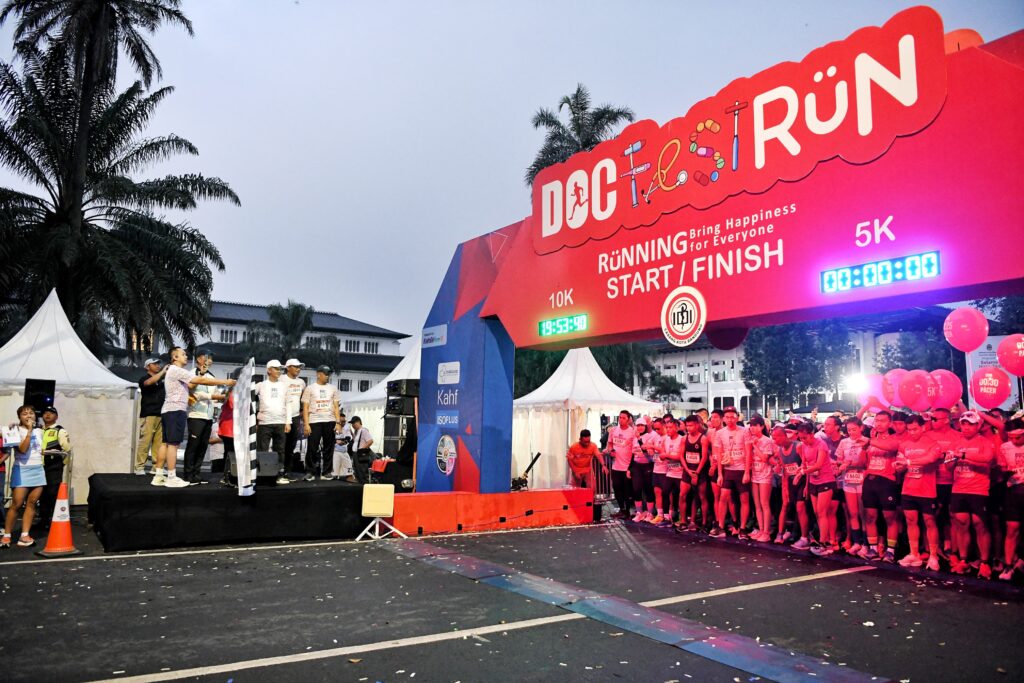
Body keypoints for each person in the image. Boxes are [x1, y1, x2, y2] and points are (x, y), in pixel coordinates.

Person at [152, 347, 235, 488]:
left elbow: (196, 383)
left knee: (166, 443)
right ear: (175, 357)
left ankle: (159, 475)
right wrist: (225, 382)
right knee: (173, 444)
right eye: (183, 354)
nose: (186, 356)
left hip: (172, 410)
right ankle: (172, 476)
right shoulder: (178, 370)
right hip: (177, 410)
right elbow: (198, 382)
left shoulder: (175, 371)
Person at [947, 410, 995, 579]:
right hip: (959, 489)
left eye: (970, 424)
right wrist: (952, 460)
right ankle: (963, 560)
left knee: (979, 524)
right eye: (963, 424)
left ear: (978, 425)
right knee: (961, 523)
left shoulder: (985, 442)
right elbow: (947, 467)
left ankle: (985, 562)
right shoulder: (956, 442)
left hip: (978, 489)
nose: (966, 427)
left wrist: (965, 455)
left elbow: (988, 458)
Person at [895, 415, 943, 570]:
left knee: (930, 522)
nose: (912, 432)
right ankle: (914, 553)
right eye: (909, 430)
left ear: (923, 427)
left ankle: (933, 556)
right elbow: (900, 465)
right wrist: (898, 466)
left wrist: (908, 462)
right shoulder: (904, 444)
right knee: (910, 521)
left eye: (915, 429)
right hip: (908, 488)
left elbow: (930, 459)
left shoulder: (933, 444)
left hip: (927, 490)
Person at [859, 410, 901, 563]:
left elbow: (890, 448)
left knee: (890, 517)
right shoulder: (871, 441)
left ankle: (890, 550)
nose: (879, 423)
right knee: (870, 516)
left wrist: (869, 441)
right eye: (877, 421)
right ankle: (873, 548)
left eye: (883, 421)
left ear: (889, 423)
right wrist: (863, 448)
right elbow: (863, 462)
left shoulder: (895, 439)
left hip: (887, 481)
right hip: (870, 480)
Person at [2, 405, 45, 548]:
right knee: (17, 504)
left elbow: (40, 449)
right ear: (19, 417)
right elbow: (22, 449)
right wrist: (29, 431)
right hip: (22, 469)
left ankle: (24, 535)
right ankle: (6, 536)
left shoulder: (40, 430)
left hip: (38, 468)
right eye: (24, 414)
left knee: (32, 503)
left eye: (31, 413)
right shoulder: (15, 430)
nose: (28, 416)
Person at [182, 349, 225, 485]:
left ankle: (196, 473)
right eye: (207, 357)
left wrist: (222, 396)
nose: (210, 361)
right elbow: (190, 390)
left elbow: (216, 394)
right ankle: (188, 475)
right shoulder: (190, 374)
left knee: (202, 447)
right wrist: (201, 375)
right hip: (195, 414)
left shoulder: (212, 377)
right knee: (193, 445)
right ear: (199, 359)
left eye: (211, 358)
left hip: (208, 416)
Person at [798, 422, 837, 555]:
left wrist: (802, 472)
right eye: (801, 438)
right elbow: (805, 465)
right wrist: (806, 483)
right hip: (813, 482)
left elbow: (819, 464)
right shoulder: (803, 446)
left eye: (805, 437)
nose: (803, 440)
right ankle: (823, 540)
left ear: (811, 434)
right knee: (817, 512)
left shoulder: (821, 444)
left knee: (822, 512)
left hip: (826, 480)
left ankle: (823, 543)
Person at [714, 406, 751, 538]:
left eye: (732, 417)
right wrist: (719, 474)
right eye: (727, 417)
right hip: (727, 470)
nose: (730, 419)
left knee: (744, 499)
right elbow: (718, 454)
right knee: (723, 497)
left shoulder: (744, 431)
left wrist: (747, 472)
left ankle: (742, 528)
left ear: (737, 417)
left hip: (741, 469)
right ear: (724, 419)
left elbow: (748, 452)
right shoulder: (719, 433)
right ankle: (721, 526)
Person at [255, 359, 294, 485]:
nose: (279, 371)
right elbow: (248, 395)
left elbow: (288, 404)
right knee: (262, 449)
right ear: (269, 370)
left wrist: (288, 422)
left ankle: (279, 474)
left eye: (280, 369)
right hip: (264, 422)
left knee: (280, 450)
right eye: (276, 369)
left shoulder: (284, 386)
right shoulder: (260, 385)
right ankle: (262, 474)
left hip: (280, 422)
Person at [835, 417, 868, 556]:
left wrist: (850, 464)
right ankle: (856, 542)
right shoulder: (844, 442)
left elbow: (867, 462)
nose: (851, 432)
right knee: (852, 512)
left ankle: (867, 543)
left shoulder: (866, 441)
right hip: (848, 480)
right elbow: (838, 459)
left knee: (863, 513)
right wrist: (842, 463)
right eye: (849, 430)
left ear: (861, 428)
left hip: (862, 480)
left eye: (854, 429)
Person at [302, 365, 341, 480]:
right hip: (314, 421)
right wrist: (306, 424)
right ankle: (310, 472)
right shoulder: (310, 388)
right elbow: (305, 407)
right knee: (312, 447)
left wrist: (338, 422)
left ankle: (326, 472)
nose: (327, 376)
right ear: (318, 374)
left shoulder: (333, 388)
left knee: (329, 447)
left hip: (330, 420)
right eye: (325, 373)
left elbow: (336, 407)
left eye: (329, 373)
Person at [997, 418, 1024, 581]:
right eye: (1011, 438)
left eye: (1018, 438)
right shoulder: (1004, 447)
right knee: (1012, 528)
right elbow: (1002, 468)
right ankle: (1008, 566)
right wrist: (1004, 471)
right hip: (1013, 491)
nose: (1014, 441)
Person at [774, 424, 810, 547]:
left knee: (800, 507)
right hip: (790, 481)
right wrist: (785, 488)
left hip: (802, 480)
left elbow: (806, 465)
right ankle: (780, 533)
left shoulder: (798, 446)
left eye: (776, 438)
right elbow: (785, 471)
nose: (774, 441)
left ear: (783, 436)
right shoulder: (780, 450)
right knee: (784, 504)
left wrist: (806, 485)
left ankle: (804, 537)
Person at [37, 406, 72, 531]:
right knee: (41, 493)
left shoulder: (60, 431)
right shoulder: (38, 430)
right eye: (45, 413)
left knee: (52, 493)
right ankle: (43, 520)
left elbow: (67, 449)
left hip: (53, 467)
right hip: (39, 467)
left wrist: (61, 464)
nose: (47, 415)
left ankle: (53, 519)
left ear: (56, 416)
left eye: (51, 413)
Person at [603, 410, 637, 519]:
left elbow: (635, 449)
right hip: (615, 465)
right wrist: (609, 451)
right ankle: (621, 509)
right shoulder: (613, 430)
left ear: (628, 420)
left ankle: (627, 511)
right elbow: (609, 444)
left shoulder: (632, 432)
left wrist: (631, 467)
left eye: (623, 418)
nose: (621, 419)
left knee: (627, 490)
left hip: (627, 466)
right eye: (620, 417)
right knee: (616, 488)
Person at [748, 416, 776, 542]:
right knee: (757, 504)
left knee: (765, 503)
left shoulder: (767, 441)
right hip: (754, 474)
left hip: (765, 475)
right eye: (751, 425)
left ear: (762, 426)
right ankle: (760, 529)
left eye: (755, 425)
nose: (752, 428)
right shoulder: (751, 439)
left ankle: (766, 531)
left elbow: (765, 458)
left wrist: (755, 446)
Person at [680, 414, 710, 531]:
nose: (689, 428)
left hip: (700, 471)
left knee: (702, 497)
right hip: (688, 471)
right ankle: (683, 521)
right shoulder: (684, 438)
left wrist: (696, 473)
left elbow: (704, 458)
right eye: (687, 426)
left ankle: (703, 522)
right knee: (682, 495)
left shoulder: (703, 438)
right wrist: (688, 471)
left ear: (697, 425)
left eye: (691, 426)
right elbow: (681, 456)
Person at [135, 357, 165, 475]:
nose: (158, 365)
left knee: (159, 443)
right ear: (147, 367)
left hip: (161, 414)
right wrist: (163, 372)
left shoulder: (161, 381)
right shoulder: (144, 379)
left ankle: (156, 468)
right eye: (155, 364)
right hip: (148, 414)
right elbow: (148, 383)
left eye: (159, 364)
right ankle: (139, 467)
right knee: (145, 442)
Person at [658, 417, 685, 528]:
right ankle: (666, 517)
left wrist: (667, 455)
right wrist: (663, 456)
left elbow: (680, 456)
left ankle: (681, 518)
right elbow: (662, 455)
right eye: (667, 427)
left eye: (670, 427)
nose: (668, 430)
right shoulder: (666, 440)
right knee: (665, 493)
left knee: (681, 496)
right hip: (669, 472)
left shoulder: (682, 439)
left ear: (677, 428)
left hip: (681, 473)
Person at [283, 359, 306, 473]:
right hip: (282, 416)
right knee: (281, 444)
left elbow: (303, 399)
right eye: (296, 366)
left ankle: (287, 471)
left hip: (296, 416)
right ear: (288, 367)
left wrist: (302, 411)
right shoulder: (281, 379)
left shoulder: (301, 382)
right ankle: (278, 470)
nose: (298, 369)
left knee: (291, 445)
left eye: (299, 367)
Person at [348, 416, 374, 484]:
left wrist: (362, 449)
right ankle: (360, 485)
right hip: (355, 453)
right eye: (352, 424)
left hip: (360, 453)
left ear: (358, 422)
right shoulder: (357, 431)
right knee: (357, 471)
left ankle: (364, 485)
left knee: (362, 471)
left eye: (354, 423)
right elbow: (355, 440)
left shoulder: (364, 430)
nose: (353, 425)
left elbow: (370, 441)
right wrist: (351, 432)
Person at [217, 390, 235, 487]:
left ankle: (231, 475)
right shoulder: (231, 395)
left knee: (231, 452)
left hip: (234, 429)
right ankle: (228, 476)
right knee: (230, 452)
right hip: (229, 429)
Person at [334, 413, 356, 481]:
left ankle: (350, 477)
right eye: (342, 421)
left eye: (344, 421)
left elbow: (349, 438)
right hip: (335, 452)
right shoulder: (333, 427)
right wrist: (336, 441)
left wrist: (343, 441)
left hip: (344, 451)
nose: (343, 423)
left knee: (349, 470)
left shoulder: (347, 427)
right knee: (334, 474)